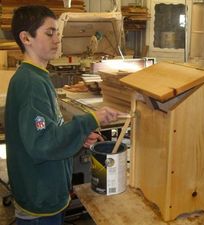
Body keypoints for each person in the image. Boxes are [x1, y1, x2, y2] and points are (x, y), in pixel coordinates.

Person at [5, 5, 122, 225]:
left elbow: (48, 130)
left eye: (57, 32)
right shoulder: (30, 83)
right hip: (40, 199)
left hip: (43, 190)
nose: (57, 39)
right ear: (26, 38)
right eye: (49, 33)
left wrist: (77, 138)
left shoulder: (37, 76)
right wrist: (90, 119)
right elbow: (42, 143)